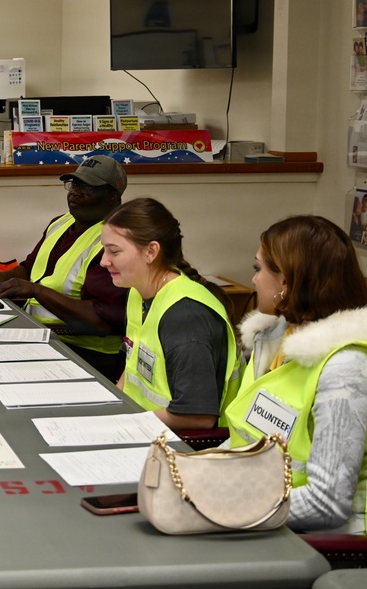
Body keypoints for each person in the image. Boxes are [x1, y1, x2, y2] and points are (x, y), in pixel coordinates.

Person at [224, 215, 367, 533]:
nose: (254, 280)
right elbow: (245, 438)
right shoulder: (275, 336)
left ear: (286, 283)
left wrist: (222, 508)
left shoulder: (346, 368)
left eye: (258, 268)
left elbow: (327, 502)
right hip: (259, 512)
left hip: (321, 541)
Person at [0, 155, 129, 383]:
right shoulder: (60, 223)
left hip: (86, 354)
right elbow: (29, 269)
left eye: (88, 187)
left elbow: (100, 322)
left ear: (113, 198)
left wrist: (36, 291)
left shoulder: (115, 243)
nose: (75, 192)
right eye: (74, 185)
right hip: (39, 336)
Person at [100, 197, 240, 431]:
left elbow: (198, 417)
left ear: (151, 251)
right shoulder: (138, 292)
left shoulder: (185, 316)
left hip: (185, 447)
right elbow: (132, 366)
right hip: (142, 430)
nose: (104, 261)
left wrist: (126, 423)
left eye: (114, 251)